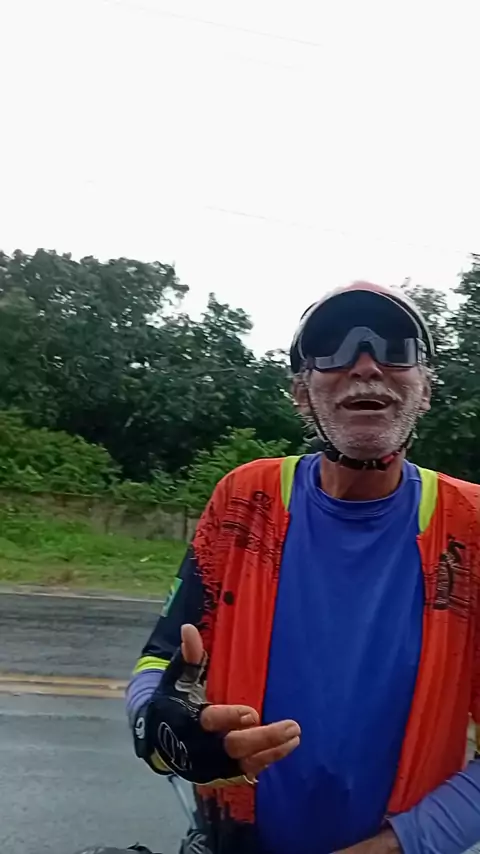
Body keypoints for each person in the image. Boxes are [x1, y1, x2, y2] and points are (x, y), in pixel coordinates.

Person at [126, 281, 480, 854]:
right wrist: (162, 726)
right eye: (332, 349)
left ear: (426, 389)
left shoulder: (471, 527)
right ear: (300, 393)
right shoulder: (245, 500)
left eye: (395, 348)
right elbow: (161, 661)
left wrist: (401, 844)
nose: (366, 366)